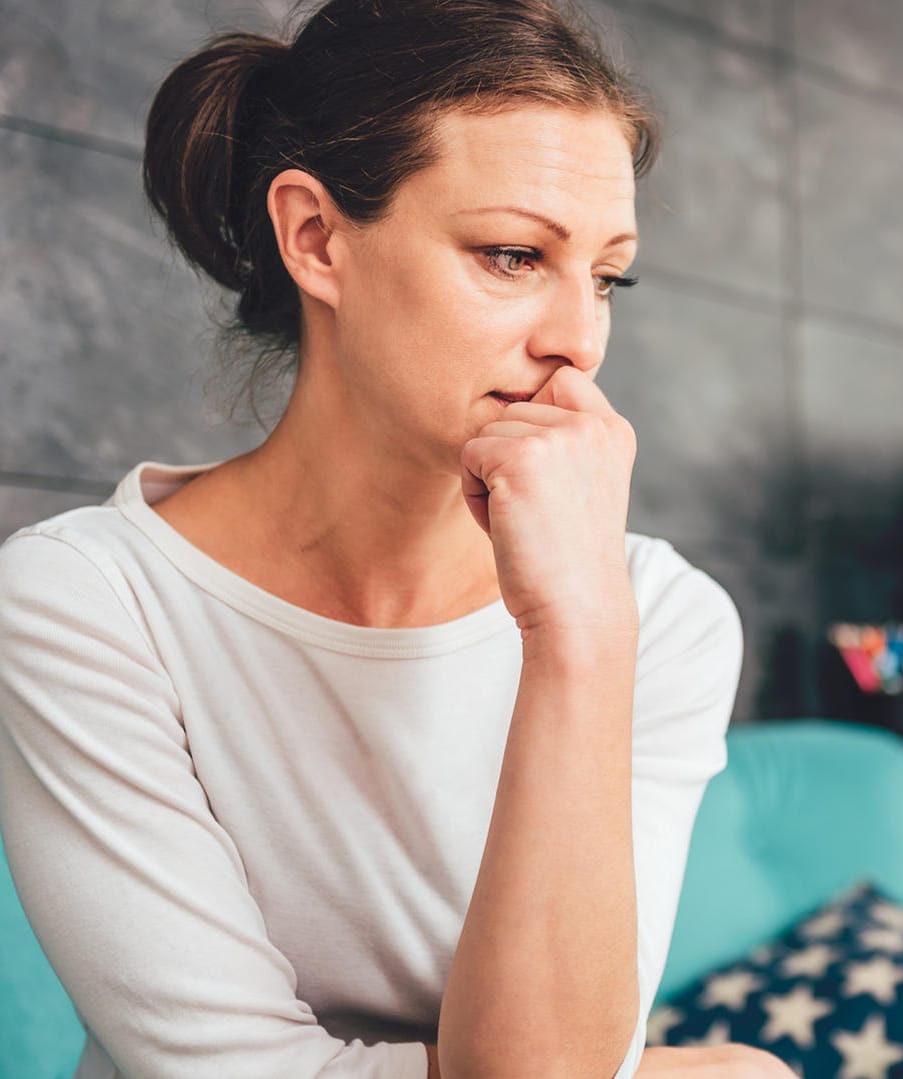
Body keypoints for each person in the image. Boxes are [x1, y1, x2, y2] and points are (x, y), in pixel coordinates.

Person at [0, 1, 792, 1076]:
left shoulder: (660, 616)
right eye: (514, 255)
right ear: (317, 239)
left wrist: (579, 632)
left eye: (607, 275)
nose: (578, 341)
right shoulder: (82, 603)